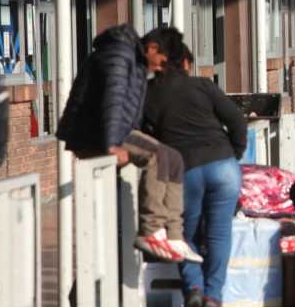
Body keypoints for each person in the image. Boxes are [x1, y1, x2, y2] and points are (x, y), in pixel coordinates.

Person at [56, 24, 200, 264]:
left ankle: (175, 235)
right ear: (152, 48)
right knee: (157, 156)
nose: (160, 69)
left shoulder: (137, 60)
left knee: (173, 158)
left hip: (117, 130)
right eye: (162, 62)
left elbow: (132, 108)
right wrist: (113, 144)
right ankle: (151, 229)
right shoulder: (119, 55)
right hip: (95, 132)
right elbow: (113, 98)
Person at [141, 28, 248, 307]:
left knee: (183, 234)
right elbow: (237, 120)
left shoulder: (148, 95)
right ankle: (214, 296)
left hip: (183, 171)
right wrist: (233, 155)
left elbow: (143, 135)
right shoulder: (203, 86)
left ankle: (195, 291)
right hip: (223, 165)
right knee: (219, 234)